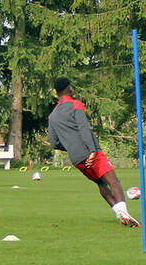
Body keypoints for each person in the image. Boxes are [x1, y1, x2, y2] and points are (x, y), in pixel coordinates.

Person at [47, 77, 139, 227]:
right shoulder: (76, 104)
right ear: (69, 88)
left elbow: (54, 142)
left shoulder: (52, 116)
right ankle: (124, 212)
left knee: (101, 183)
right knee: (113, 181)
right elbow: (83, 128)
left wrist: (71, 147)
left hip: (76, 157)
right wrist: (92, 151)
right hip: (90, 151)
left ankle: (119, 212)